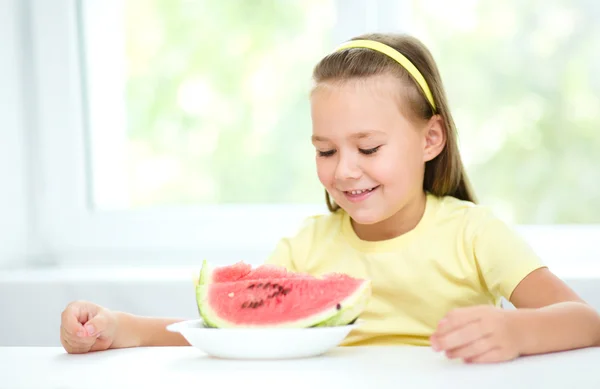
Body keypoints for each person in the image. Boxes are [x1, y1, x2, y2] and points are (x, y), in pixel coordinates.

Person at [59, 33, 600, 363]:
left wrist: (516, 331)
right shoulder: (306, 248)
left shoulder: (473, 233)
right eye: (324, 150)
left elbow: (585, 320)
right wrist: (123, 328)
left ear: (430, 139)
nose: (344, 171)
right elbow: (232, 331)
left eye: (368, 147)